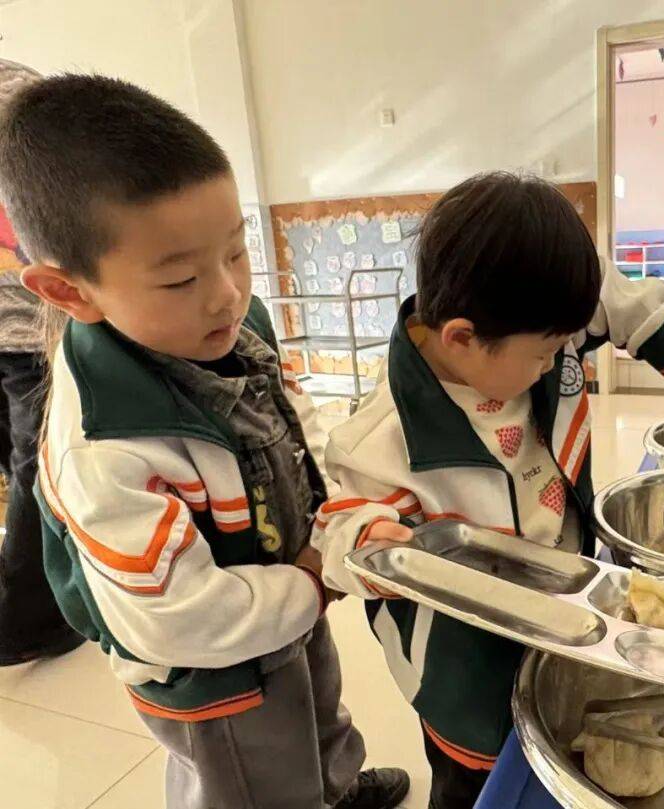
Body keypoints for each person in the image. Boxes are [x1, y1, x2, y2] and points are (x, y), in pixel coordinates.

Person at [0, 74, 409, 809]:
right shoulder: (104, 447)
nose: (226, 292)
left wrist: (341, 511)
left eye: (236, 251)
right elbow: (181, 617)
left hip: (285, 594)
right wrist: (313, 581)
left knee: (318, 714)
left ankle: (336, 787)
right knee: (257, 779)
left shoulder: (228, 324)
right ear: (70, 292)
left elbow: (293, 421)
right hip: (213, 671)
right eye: (181, 278)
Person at [315, 172, 664, 808]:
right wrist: (371, 540)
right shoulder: (382, 440)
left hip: (563, 608)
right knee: (481, 782)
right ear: (461, 338)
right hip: (465, 670)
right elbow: (337, 534)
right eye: (545, 353)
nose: (561, 360)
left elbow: (602, 294)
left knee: (558, 750)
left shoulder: (529, 324)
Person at [0, 60, 84, 666]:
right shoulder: (19, 90)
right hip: (26, 324)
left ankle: (31, 616)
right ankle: (33, 621)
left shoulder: (19, 91)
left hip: (31, 322)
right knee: (33, 466)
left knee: (32, 465)